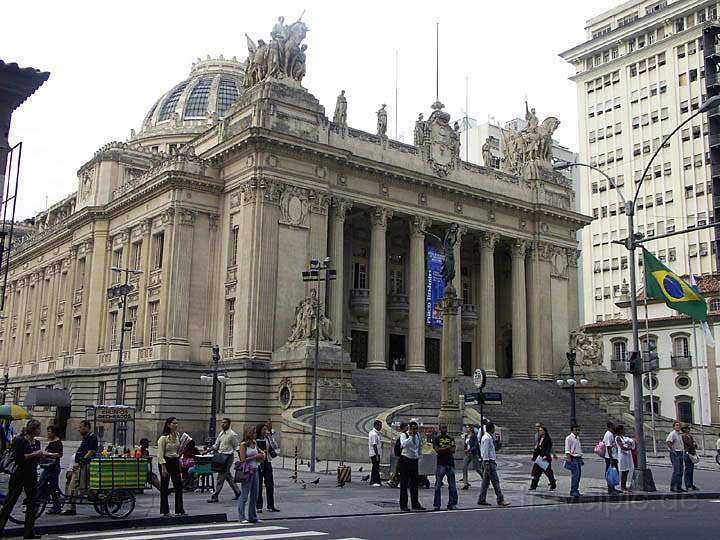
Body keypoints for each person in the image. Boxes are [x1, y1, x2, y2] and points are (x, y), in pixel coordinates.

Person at [0, 419, 48, 539]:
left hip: (31, 474)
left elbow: (36, 459)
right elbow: (18, 458)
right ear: (32, 429)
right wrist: (34, 454)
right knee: (10, 501)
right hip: (19, 474)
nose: (39, 431)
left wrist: (40, 457)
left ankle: (29, 532)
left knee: (32, 503)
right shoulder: (21, 441)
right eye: (38, 428)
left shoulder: (36, 443)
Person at [62, 420, 99, 515]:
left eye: (81, 427)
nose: (79, 429)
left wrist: (80, 463)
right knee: (75, 486)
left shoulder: (92, 438)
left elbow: (90, 452)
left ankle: (97, 497)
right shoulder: (86, 438)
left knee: (77, 487)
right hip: (80, 465)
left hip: (84, 465)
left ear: (87, 427)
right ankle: (71, 507)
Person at [207, 418, 241, 503]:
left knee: (220, 477)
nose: (223, 424)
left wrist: (241, 459)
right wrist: (207, 450)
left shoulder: (232, 434)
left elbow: (237, 447)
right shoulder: (221, 433)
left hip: (228, 457)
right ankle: (238, 492)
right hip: (221, 456)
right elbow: (216, 445)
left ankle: (215, 496)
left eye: (225, 423)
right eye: (222, 423)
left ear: (229, 424)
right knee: (228, 476)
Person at [476, 422, 509, 507]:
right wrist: (487, 462)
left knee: (485, 482)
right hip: (489, 462)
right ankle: (500, 499)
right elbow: (486, 451)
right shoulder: (487, 438)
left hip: (489, 461)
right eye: (493, 428)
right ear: (491, 429)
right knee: (495, 481)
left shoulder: (487, 437)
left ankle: (481, 498)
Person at [158, 416, 185, 516]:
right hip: (165, 461)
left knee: (178, 486)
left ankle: (179, 510)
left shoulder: (177, 435)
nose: (175, 425)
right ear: (168, 425)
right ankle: (165, 511)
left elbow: (177, 450)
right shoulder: (163, 438)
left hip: (175, 460)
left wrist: (180, 454)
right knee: (164, 487)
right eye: (173, 423)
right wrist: (163, 468)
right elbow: (160, 454)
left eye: (176, 423)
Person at [238, 426, 265, 524]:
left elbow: (259, 451)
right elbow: (242, 460)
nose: (255, 434)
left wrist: (262, 454)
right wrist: (254, 457)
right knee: (245, 495)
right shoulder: (243, 445)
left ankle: (252, 516)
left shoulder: (254, 443)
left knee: (255, 494)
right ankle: (242, 516)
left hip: (255, 469)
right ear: (249, 433)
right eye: (253, 432)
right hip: (247, 471)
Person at [398, 421, 424, 511]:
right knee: (404, 483)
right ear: (409, 428)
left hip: (414, 460)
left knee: (414, 483)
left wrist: (419, 456)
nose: (415, 430)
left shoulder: (418, 435)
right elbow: (404, 444)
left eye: (416, 428)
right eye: (413, 428)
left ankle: (415, 503)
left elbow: (419, 446)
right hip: (406, 459)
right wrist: (411, 436)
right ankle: (403, 504)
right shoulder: (404, 435)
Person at [38, 424, 63, 514]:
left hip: (53, 467)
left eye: (49, 431)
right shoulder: (51, 442)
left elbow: (59, 454)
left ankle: (39, 501)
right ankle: (57, 504)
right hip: (48, 467)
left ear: (54, 433)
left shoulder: (57, 442)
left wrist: (48, 454)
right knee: (53, 487)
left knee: (43, 484)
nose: (48, 433)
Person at [432, 424, 458, 511]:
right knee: (438, 485)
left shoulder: (451, 438)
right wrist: (447, 448)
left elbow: (453, 450)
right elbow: (436, 449)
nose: (444, 429)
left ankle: (452, 503)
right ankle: (437, 504)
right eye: (443, 428)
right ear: (440, 429)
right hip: (441, 463)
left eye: (445, 428)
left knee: (452, 485)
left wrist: (443, 449)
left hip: (450, 463)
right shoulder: (437, 439)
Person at [255, 423, 279, 512]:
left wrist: (271, 438)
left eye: (266, 429)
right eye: (263, 429)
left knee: (270, 483)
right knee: (259, 485)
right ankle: (259, 506)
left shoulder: (267, 438)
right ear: (259, 430)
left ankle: (271, 505)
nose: (265, 431)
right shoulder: (255, 439)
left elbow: (275, 447)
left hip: (267, 461)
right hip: (258, 463)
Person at [529, 425, 556, 491]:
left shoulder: (548, 439)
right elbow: (538, 448)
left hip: (545, 458)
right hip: (539, 458)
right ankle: (533, 486)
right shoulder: (539, 438)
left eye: (541, 430)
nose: (540, 431)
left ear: (544, 431)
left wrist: (546, 455)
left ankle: (553, 484)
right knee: (536, 473)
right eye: (539, 430)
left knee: (548, 472)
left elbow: (549, 448)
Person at [564, 424, 583, 498]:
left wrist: (581, 457)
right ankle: (573, 491)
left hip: (578, 457)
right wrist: (568, 457)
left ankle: (576, 489)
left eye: (578, 430)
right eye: (576, 430)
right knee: (575, 475)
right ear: (572, 430)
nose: (577, 431)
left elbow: (578, 448)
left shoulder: (577, 438)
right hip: (573, 458)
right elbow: (567, 449)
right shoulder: (569, 438)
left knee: (578, 475)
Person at [461, 424, 482, 490]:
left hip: (473, 453)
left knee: (477, 469)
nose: (466, 429)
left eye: (467, 428)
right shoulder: (466, 436)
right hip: (467, 454)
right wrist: (465, 449)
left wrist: (469, 450)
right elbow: (466, 444)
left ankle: (485, 478)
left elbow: (475, 446)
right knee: (464, 467)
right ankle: (465, 483)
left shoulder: (474, 436)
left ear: (471, 428)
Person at [614, 425, 634, 493]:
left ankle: (625, 486)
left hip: (627, 455)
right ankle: (622, 487)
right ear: (620, 430)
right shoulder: (618, 438)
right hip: (622, 456)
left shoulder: (624, 438)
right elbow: (622, 447)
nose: (624, 431)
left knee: (627, 471)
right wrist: (630, 448)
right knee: (623, 471)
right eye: (623, 430)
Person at [666, 421, 685, 492]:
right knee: (676, 470)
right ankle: (673, 486)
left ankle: (678, 486)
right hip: (675, 453)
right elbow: (668, 441)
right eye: (677, 425)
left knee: (680, 470)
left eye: (679, 425)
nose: (678, 426)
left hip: (680, 452)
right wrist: (672, 450)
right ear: (674, 426)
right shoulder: (672, 434)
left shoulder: (679, 434)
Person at [602, 422, 620, 494]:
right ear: (610, 427)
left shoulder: (611, 434)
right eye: (613, 426)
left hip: (613, 456)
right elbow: (608, 447)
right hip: (610, 457)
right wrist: (611, 458)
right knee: (610, 473)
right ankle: (610, 489)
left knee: (614, 473)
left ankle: (613, 488)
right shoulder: (609, 435)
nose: (614, 428)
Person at [681, 424, 698, 491]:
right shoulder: (684, 436)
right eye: (688, 428)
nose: (689, 429)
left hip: (691, 453)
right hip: (687, 453)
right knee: (688, 470)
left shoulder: (690, 436)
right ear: (684, 429)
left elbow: (695, 444)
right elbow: (690, 444)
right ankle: (688, 485)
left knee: (691, 470)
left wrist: (694, 444)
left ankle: (691, 484)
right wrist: (693, 443)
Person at [368, 420, 382, 487]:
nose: (381, 427)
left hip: (374, 453)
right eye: (380, 425)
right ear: (376, 426)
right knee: (375, 467)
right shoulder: (374, 434)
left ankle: (377, 481)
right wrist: (376, 455)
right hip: (374, 453)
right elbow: (374, 445)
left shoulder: (374, 433)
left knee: (376, 467)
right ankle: (374, 481)